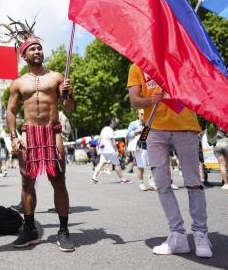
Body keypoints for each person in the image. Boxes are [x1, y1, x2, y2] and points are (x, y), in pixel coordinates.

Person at [128, 64, 212, 258]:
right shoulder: (136, 66)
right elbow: (135, 101)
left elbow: (198, 89)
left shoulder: (180, 59)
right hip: (154, 129)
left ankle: (200, 234)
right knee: (162, 184)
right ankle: (178, 235)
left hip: (185, 126)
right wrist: (151, 99)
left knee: (193, 182)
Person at [6, 31, 76, 252]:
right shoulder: (18, 83)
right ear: (24, 55)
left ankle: (63, 231)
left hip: (52, 132)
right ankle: (29, 229)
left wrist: (69, 94)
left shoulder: (56, 78)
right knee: (27, 182)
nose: (37, 51)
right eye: (32, 49)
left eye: (39, 48)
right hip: (29, 134)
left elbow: (70, 107)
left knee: (59, 181)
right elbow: (11, 110)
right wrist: (14, 136)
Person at [91, 118, 132, 184]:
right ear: (110, 122)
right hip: (109, 149)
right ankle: (122, 179)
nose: (114, 123)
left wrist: (99, 148)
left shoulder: (103, 129)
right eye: (113, 122)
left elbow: (100, 139)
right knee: (117, 164)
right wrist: (116, 150)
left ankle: (94, 177)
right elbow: (112, 141)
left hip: (103, 149)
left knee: (101, 163)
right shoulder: (109, 129)